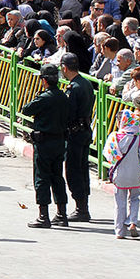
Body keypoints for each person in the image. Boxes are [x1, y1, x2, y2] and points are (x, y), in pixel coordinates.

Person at [23, 65, 70, 228]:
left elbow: (26, 109)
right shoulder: (63, 97)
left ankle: (44, 216)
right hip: (59, 142)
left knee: (42, 177)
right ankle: (62, 214)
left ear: (44, 80)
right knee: (57, 177)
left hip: (44, 143)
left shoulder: (44, 98)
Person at [60, 53, 95, 222]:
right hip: (85, 130)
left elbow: (69, 113)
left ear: (64, 68)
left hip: (75, 133)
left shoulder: (74, 88)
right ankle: (83, 205)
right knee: (82, 169)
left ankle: (81, 208)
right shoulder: (86, 83)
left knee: (74, 171)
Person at [102, 109, 140, 239]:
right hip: (135, 174)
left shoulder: (114, 137)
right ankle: (133, 221)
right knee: (134, 198)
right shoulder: (138, 137)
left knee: (119, 203)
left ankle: (119, 231)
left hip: (120, 174)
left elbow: (109, 156)